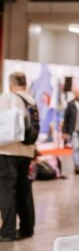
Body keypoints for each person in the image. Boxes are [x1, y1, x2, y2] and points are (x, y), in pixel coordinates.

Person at [0, 72, 36, 241]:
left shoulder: (8, 98)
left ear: (11, 84)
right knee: (24, 189)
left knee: (7, 190)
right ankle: (27, 228)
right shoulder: (31, 100)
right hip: (26, 151)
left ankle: (7, 231)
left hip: (8, 150)